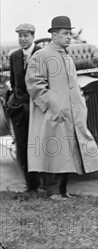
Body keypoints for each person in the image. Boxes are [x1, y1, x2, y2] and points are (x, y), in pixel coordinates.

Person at [26, 16, 98, 200]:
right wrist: (54, 105)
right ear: (54, 35)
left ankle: (63, 191)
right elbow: (35, 84)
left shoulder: (66, 56)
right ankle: (53, 192)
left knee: (68, 152)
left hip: (71, 113)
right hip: (53, 114)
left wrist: (80, 101)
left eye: (70, 33)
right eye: (65, 33)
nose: (69, 37)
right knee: (55, 151)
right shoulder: (41, 55)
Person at [6, 23, 40, 197]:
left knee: (39, 145)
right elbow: (14, 82)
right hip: (20, 109)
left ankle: (43, 183)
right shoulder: (15, 56)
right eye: (20, 36)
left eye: (25, 36)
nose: (22, 39)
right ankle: (31, 184)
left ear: (33, 36)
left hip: (38, 108)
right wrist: (16, 103)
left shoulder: (42, 53)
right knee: (22, 146)